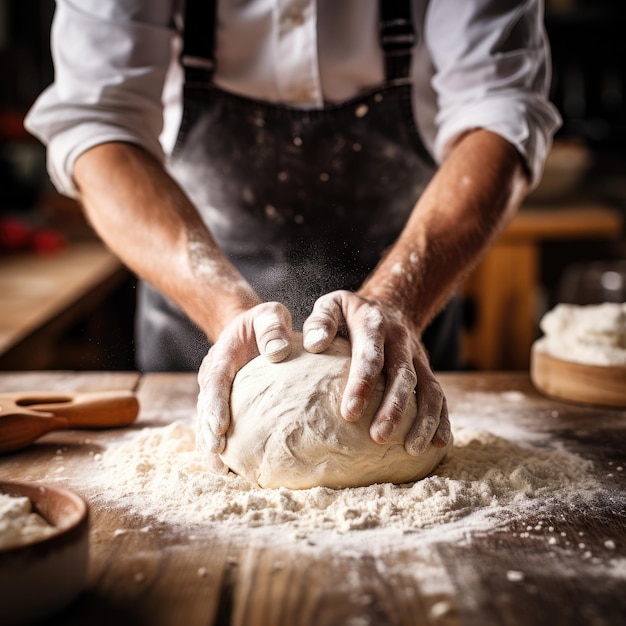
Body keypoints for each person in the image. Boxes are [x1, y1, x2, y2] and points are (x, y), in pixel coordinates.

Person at [25, 0, 561, 474]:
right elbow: (97, 126)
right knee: (216, 437)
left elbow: (500, 109)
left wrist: (397, 299)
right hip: (196, 303)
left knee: (392, 404)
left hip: (406, 301)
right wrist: (225, 308)